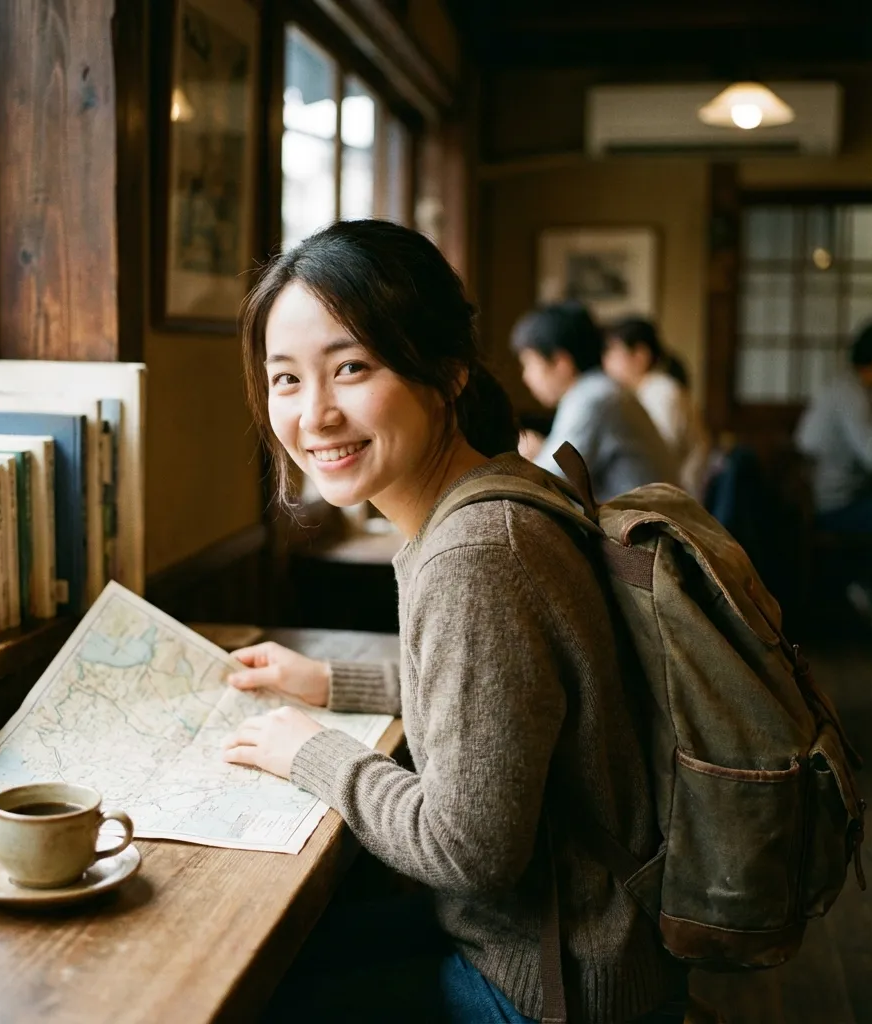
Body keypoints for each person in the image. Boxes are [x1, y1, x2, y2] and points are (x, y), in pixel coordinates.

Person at [222, 220, 687, 1023]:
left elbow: (466, 850)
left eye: (351, 367)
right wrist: (330, 681)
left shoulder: (477, 551)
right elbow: (501, 695)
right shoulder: (496, 494)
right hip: (560, 943)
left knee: (247, 994)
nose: (315, 414)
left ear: (446, 371)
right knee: (277, 952)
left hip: (555, 984)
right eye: (286, 379)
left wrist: (311, 753)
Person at [510, 302, 678, 502]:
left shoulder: (591, 398)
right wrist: (543, 452)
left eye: (529, 364)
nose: (525, 377)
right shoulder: (600, 388)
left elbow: (546, 484)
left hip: (646, 520)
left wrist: (529, 458)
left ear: (561, 363)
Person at [796, 321, 872, 610]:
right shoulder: (850, 395)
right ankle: (863, 589)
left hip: (828, 497)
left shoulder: (847, 387)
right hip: (833, 505)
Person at [602, 317, 710, 498]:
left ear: (640, 356)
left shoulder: (663, 393)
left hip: (674, 499)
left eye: (613, 353)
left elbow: (657, 458)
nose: (606, 361)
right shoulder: (641, 392)